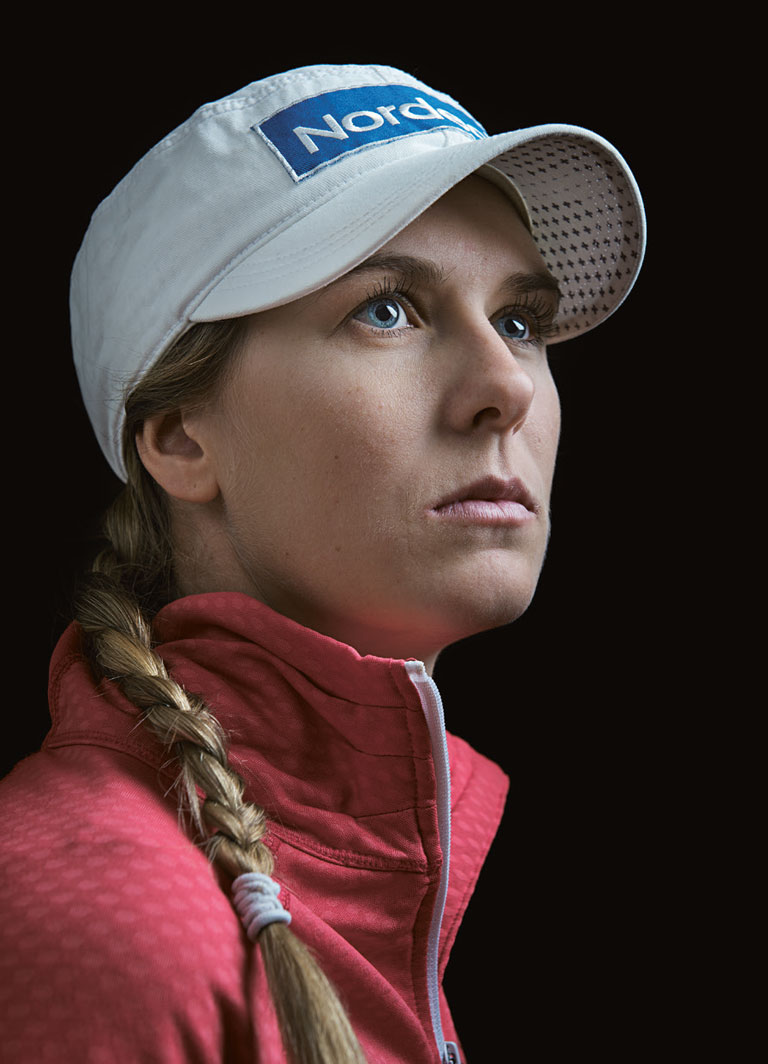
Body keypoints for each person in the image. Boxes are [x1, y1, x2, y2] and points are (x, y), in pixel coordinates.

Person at [0, 63, 645, 1063]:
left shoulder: (366, 896)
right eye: (386, 309)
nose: (507, 385)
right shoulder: (91, 922)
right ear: (180, 437)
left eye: (519, 320)